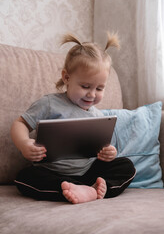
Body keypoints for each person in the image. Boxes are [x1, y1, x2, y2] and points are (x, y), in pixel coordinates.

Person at [11, 32, 136, 204]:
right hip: (52, 172)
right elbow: (20, 124)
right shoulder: (49, 104)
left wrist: (109, 153)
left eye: (99, 88)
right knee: (24, 177)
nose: (92, 94)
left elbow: (103, 148)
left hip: (88, 172)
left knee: (126, 166)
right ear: (67, 77)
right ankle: (81, 189)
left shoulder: (98, 116)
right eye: (85, 86)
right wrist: (24, 144)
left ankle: (91, 189)